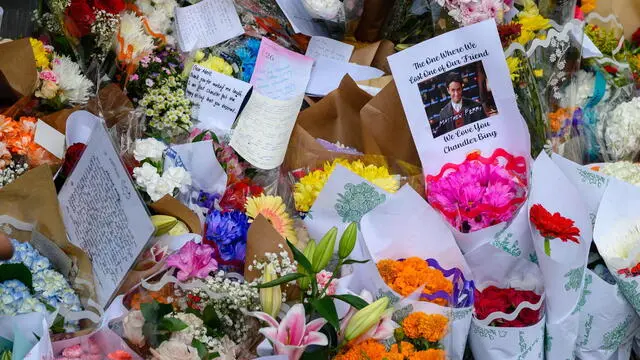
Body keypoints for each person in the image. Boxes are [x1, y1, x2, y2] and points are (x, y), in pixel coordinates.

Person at [435, 72, 487, 137]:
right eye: (453, 90)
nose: (456, 94)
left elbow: (486, 130)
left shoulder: (476, 106)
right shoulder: (443, 114)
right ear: (448, 90)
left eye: (458, 89)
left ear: (462, 88)